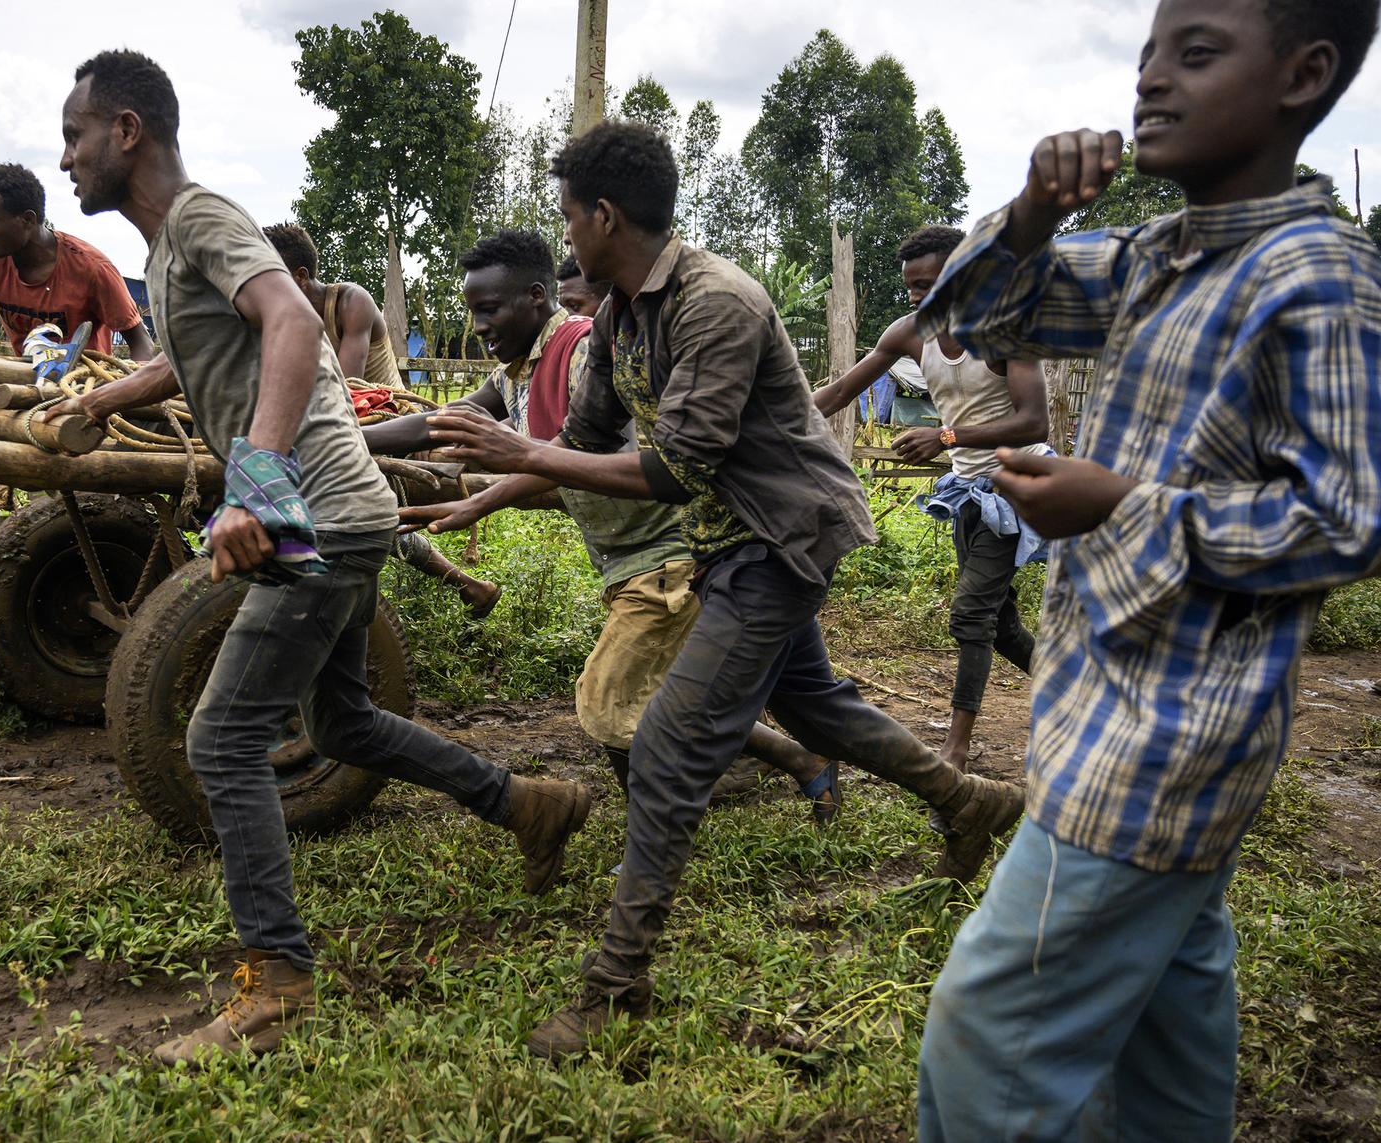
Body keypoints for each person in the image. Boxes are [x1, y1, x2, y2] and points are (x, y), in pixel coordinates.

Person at [415, 121, 1026, 1060]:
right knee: (813, 704)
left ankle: (615, 989)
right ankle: (968, 800)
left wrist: (520, 450)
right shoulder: (622, 315)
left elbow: (676, 464)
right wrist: (485, 497)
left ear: (603, 215)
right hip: (729, 539)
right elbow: (580, 449)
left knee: (665, 745)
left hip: (781, 538)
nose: (566, 232)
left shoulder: (717, 301)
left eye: (569, 215)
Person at [55, 49, 594, 1067]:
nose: (67, 159)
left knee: (219, 743)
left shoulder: (204, 218)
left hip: (319, 516)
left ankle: (277, 982)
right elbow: (193, 351)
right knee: (340, 720)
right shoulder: (173, 252)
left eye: (76, 136)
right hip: (328, 513)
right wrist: (98, 399)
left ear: (126, 131)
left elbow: (292, 319)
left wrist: (255, 477)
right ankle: (527, 803)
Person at [915, 0, 1380, 1138]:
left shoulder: (1315, 280)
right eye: (1145, 57)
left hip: (1169, 732)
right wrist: (1028, 209)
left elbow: (1349, 519)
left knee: (985, 1050)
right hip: (1106, 699)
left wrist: (1120, 503)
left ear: (1303, 74)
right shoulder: (1150, 260)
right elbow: (972, 315)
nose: (1150, 81)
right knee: (1168, 1030)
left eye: (1196, 52)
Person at [387, 228, 841, 822]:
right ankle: (798, 764)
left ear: (534, 297)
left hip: (674, 550)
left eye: (489, 309)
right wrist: (344, 435)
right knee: (705, 693)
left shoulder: (580, 352)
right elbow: (444, 424)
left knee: (610, 701)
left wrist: (489, 494)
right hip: (630, 556)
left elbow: (582, 454)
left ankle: (658, 828)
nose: (478, 326)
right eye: (472, 311)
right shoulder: (513, 374)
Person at [812, 226, 1052, 785]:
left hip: (1018, 484)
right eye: (912, 287)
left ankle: (956, 747)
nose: (919, 297)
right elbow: (843, 390)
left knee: (971, 614)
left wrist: (946, 438)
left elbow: (1034, 419)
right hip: (969, 489)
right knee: (1001, 623)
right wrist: (772, 421)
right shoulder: (910, 333)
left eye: (931, 284)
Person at [0, 162, 156, 649]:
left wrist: (129, 400)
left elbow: (141, 344)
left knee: (55, 514)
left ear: (27, 219)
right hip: (22, 383)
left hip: (77, 394)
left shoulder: (91, 267)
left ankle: (47, 618)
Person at [264, 221, 503, 617]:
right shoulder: (281, 317)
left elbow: (344, 391)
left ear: (299, 277)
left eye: (267, 275)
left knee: (350, 501)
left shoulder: (349, 303)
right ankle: (469, 586)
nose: (260, 288)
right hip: (339, 428)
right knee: (363, 508)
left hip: (386, 420)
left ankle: (466, 585)